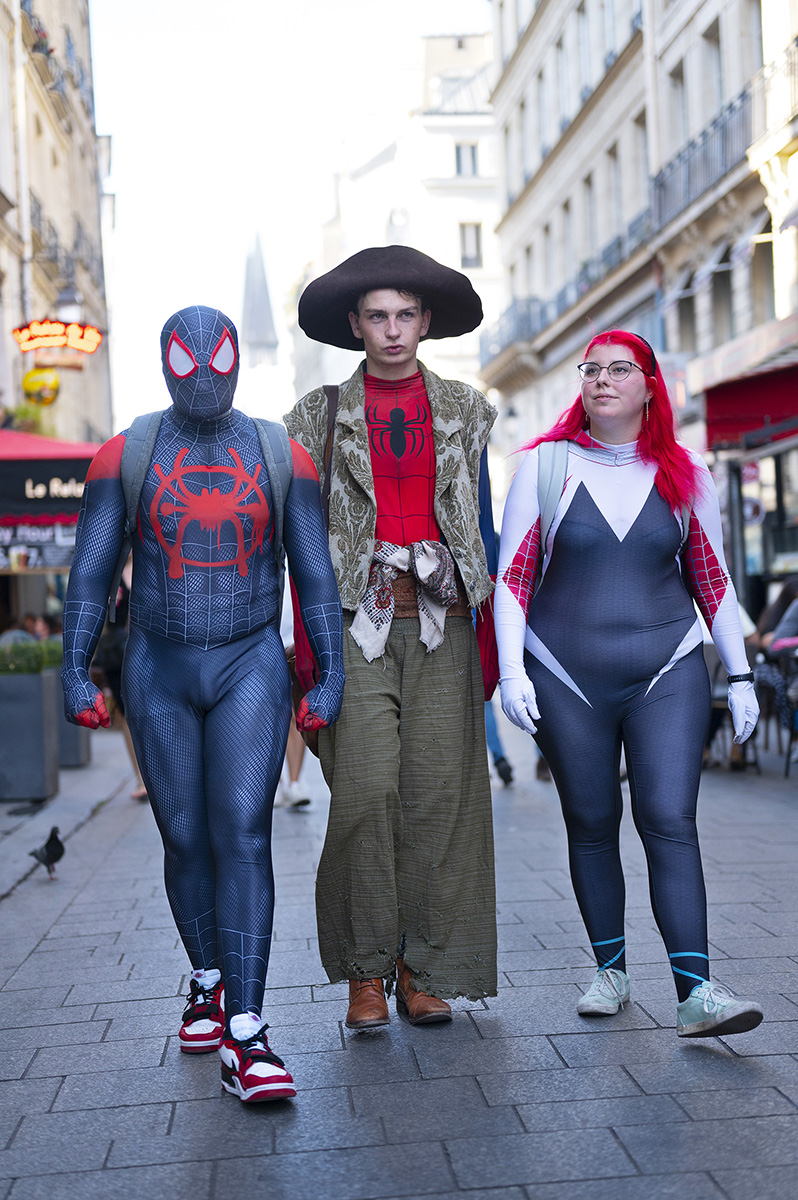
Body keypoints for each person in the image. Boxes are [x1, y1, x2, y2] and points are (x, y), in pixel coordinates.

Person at [61, 305, 344, 1102]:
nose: (205, 377)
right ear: (164, 366)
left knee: (244, 833)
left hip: (251, 660)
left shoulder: (282, 455)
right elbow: (91, 571)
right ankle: (209, 981)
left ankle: (247, 1034)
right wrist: (74, 669)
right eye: (188, 364)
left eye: (218, 360)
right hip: (159, 663)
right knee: (185, 837)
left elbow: (314, 573)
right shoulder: (126, 454)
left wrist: (329, 674)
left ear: (238, 363)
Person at [494, 329, 763, 1038]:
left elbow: (712, 578)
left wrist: (740, 676)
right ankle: (610, 972)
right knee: (590, 822)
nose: (602, 380)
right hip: (564, 675)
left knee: (670, 820)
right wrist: (512, 671)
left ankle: (696, 993)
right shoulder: (546, 465)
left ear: (649, 385)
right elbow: (512, 578)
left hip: (667, 668)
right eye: (592, 370)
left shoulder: (686, 471)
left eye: (620, 369)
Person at [284, 245, 498, 1029]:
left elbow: (481, 522)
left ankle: (422, 969)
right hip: (356, 621)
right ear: (355, 325)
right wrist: (310, 650)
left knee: (438, 800)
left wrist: (494, 639)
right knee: (366, 792)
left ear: (426, 321)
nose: (393, 329)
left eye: (406, 314)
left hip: (446, 621)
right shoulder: (315, 417)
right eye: (378, 316)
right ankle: (364, 973)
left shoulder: (467, 408)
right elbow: (300, 540)